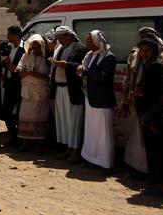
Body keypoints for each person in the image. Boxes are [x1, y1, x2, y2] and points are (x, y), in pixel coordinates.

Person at [133, 37, 163, 197]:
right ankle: (156, 183)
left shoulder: (156, 66)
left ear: (155, 51)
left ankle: (161, 186)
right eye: (142, 50)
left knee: (158, 152)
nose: (144, 54)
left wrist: (143, 93)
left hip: (155, 117)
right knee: (153, 151)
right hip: (149, 115)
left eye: (148, 50)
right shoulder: (148, 65)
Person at [77, 30, 116, 171]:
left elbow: (104, 77)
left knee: (103, 134)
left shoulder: (109, 57)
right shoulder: (90, 56)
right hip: (91, 98)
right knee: (91, 132)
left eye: (89, 40)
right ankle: (91, 158)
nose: (86, 43)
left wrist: (85, 72)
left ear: (96, 42)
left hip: (102, 100)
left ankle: (105, 163)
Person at [50, 26, 85, 163]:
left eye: (62, 37)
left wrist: (66, 65)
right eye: (58, 38)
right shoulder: (60, 49)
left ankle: (75, 151)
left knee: (74, 121)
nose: (60, 40)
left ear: (70, 36)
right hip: (60, 89)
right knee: (63, 121)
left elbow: (82, 66)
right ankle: (68, 149)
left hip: (73, 91)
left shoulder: (80, 48)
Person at [16, 34, 50, 152]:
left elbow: (46, 77)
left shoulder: (46, 59)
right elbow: (19, 71)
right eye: (34, 47)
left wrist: (30, 73)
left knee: (40, 118)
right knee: (25, 117)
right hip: (27, 92)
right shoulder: (26, 56)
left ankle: (39, 145)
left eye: (38, 47)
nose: (36, 50)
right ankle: (26, 143)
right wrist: (30, 73)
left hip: (41, 93)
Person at [0, 26, 25, 148]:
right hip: (8, 83)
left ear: (15, 35)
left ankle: (20, 138)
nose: (7, 37)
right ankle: (12, 136)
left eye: (9, 34)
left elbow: (17, 69)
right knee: (7, 110)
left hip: (19, 85)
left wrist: (9, 64)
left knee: (19, 111)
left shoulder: (23, 49)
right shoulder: (9, 48)